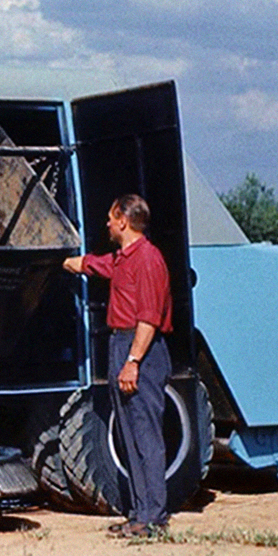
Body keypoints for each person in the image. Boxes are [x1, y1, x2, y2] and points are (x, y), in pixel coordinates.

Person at [62, 194, 174, 538]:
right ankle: (139, 513)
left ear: (123, 220)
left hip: (141, 349)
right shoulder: (123, 259)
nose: (107, 224)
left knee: (146, 436)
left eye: (111, 218)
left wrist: (133, 362)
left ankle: (154, 516)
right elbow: (95, 265)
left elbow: (149, 319)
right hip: (121, 344)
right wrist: (63, 259)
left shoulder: (149, 260)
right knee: (128, 436)